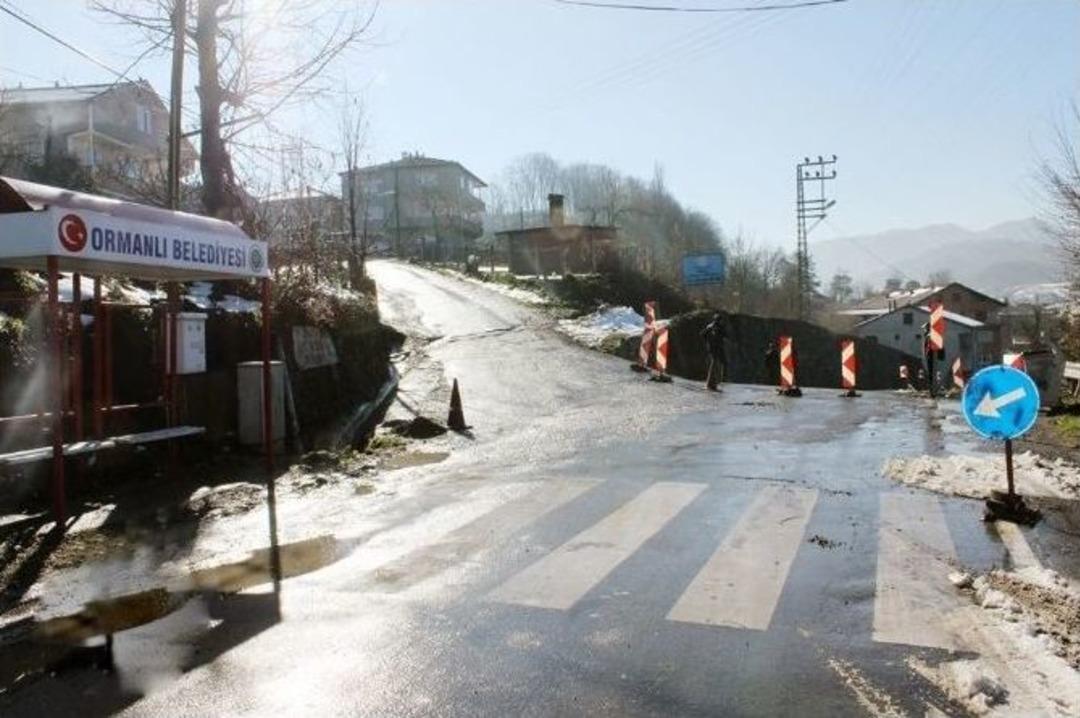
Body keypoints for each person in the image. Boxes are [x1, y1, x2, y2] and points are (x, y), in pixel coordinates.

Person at [701, 312, 728, 390]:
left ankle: (712, 382)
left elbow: (702, 334)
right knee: (718, 364)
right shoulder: (720, 327)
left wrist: (708, 342)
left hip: (711, 347)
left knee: (714, 363)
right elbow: (726, 335)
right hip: (718, 347)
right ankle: (714, 383)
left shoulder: (709, 326)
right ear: (719, 320)